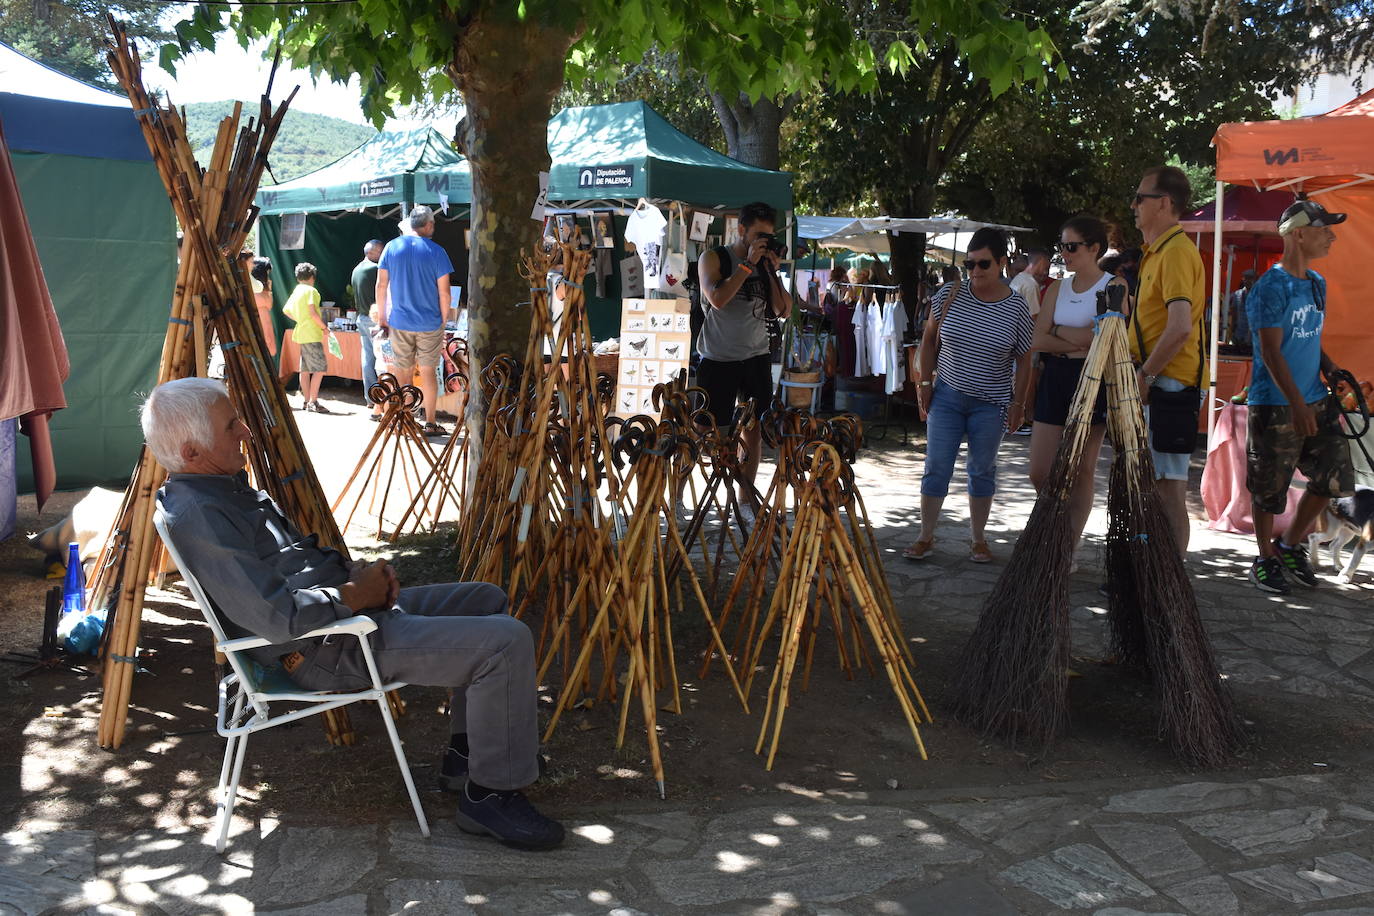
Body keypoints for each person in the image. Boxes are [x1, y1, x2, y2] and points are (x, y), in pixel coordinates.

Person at [143, 378, 564, 850]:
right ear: (192, 450)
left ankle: (469, 759)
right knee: (506, 643)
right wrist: (354, 595)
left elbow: (296, 561)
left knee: (485, 599)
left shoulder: (222, 489)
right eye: (229, 425)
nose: (244, 430)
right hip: (324, 648)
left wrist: (358, 575)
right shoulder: (200, 514)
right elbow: (277, 618)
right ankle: (491, 796)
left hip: (341, 622)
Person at [906, 227, 1034, 563]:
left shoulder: (1016, 307)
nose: (975, 271)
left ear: (1003, 263)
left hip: (990, 403)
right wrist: (925, 383)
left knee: (982, 469)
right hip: (947, 394)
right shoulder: (949, 293)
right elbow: (929, 339)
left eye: (984, 264)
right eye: (969, 264)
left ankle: (978, 539)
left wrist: (1018, 404)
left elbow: (1025, 359)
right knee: (936, 467)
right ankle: (925, 536)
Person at [1245, 199, 1352, 594]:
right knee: (1268, 489)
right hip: (1275, 404)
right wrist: (1295, 403)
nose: (1332, 236)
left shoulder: (1316, 283)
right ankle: (1264, 559)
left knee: (1333, 479)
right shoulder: (1269, 287)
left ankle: (1289, 545)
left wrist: (1329, 367)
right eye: (1325, 229)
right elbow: (1271, 352)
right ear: (1299, 234)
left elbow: (1309, 337)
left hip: (1315, 399)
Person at [1029, 217, 1122, 560]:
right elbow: (1037, 338)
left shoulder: (1114, 286)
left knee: (1082, 468)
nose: (1064, 254)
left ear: (1094, 248)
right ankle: (1057, 527)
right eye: (1062, 246)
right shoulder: (1057, 288)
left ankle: (1067, 544)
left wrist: (1061, 335)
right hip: (1057, 377)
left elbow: (1108, 341)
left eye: (1071, 246)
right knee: (1040, 470)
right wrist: (1075, 341)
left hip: (1094, 379)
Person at [1128, 165, 1208, 555]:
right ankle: (1152, 575)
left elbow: (1178, 327)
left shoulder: (1175, 251)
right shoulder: (1159, 252)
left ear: (1163, 203)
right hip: (1162, 382)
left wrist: (1145, 374)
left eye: (1140, 198)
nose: (1133, 206)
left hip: (1169, 385)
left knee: (1168, 486)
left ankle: (1167, 580)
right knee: (1156, 484)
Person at [695, 200, 794, 504]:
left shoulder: (764, 265)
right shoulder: (713, 258)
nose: (763, 243)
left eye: (768, 237)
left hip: (756, 357)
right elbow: (717, 298)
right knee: (707, 433)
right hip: (718, 357)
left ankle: (744, 496)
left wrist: (772, 273)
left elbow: (784, 310)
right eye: (758, 236)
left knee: (753, 429)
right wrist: (747, 265)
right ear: (741, 230)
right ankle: (692, 487)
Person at [377, 206, 455, 437]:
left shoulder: (391, 247)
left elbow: (381, 285)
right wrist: (443, 320)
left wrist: (382, 318)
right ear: (429, 225)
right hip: (430, 322)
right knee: (429, 372)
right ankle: (430, 422)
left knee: (403, 373)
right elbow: (445, 293)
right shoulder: (437, 251)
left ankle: (405, 419)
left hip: (399, 321)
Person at [282, 262, 332, 414]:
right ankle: (313, 401)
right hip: (312, 333)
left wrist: (300, 319)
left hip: (301, 333)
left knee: (304, 369)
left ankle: (306, 401)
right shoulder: (311, 290)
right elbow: (312, 312)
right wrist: (324, 327)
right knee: (319, 369)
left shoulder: (296, 290)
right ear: (312, 277)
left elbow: (286, 310)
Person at [351, 239, 385, 420]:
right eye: (381, 251)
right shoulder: (374, 270)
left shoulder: (357, 269)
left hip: (361, 317)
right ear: (374, 251)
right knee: (382, 359)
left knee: (367, 357)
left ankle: (370, 397)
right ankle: (380, 396)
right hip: (374, 318)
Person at [250, 258, 276, 358]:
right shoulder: (255, 288)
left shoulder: (262, 289)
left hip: (264, 322)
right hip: (260, 323)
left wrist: (269, 290)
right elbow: (268, 304)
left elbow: (269, 305)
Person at [1227, 269, 1257, 352]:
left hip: (1252, 335)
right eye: (1246, 278)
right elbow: (1234, 312)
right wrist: (1232, 329)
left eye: (1250, 278)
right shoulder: (1237, 294)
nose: (1248, 281)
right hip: (1239, 332)